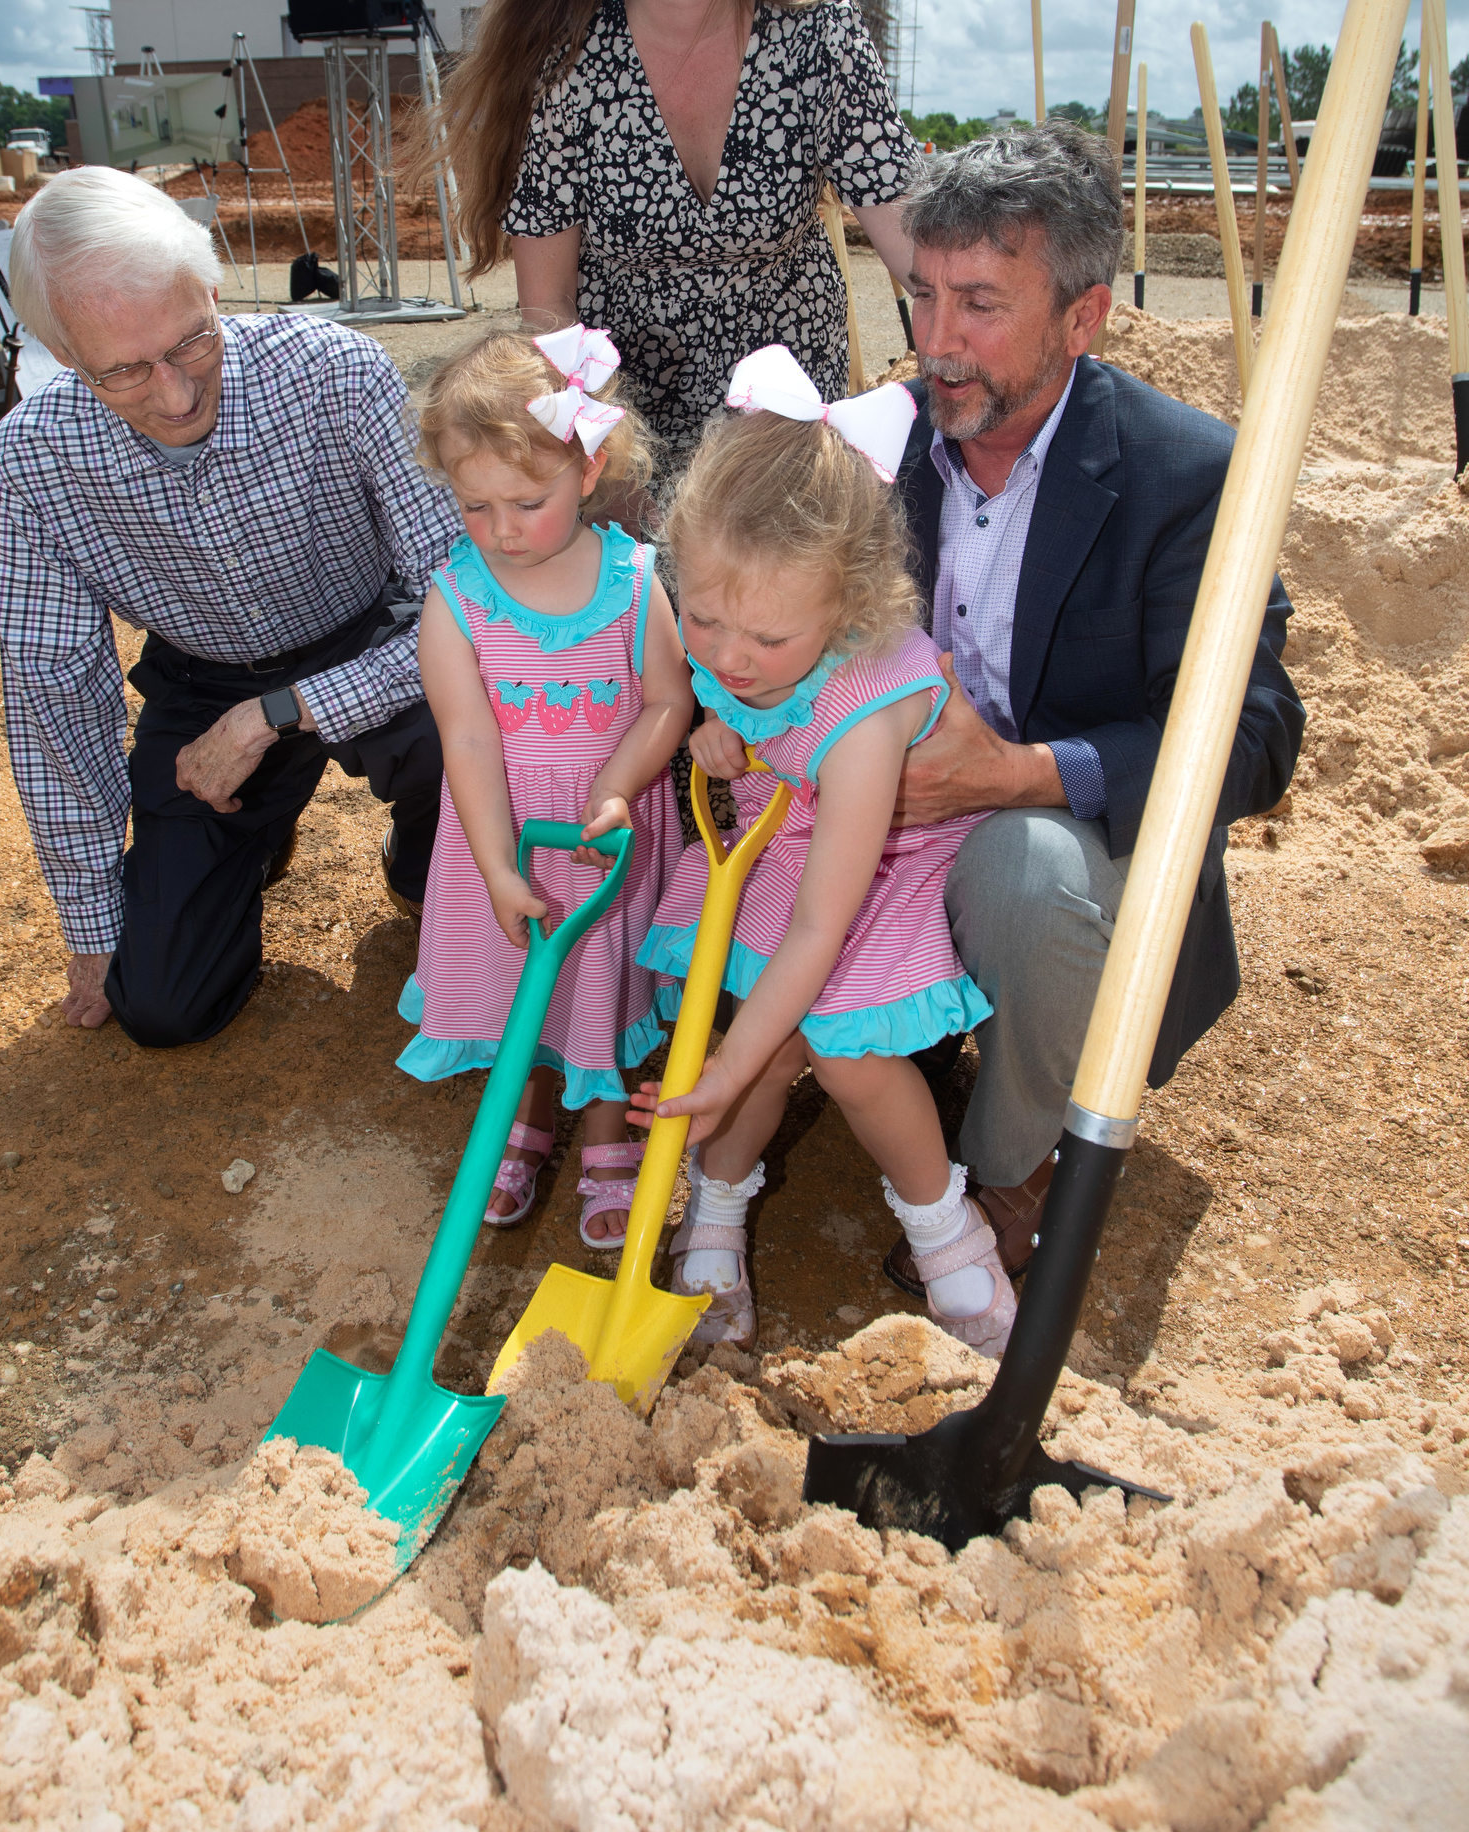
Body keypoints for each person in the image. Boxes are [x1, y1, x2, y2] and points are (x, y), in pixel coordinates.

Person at [882, 119, 1306, 1287]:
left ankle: (1013, 1165)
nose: (937, 343)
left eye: (979, 304)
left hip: (1056, 834)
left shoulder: (1188, 476)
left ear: (1083, 318)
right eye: (922, 298)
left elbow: (1256, 741)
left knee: (1025, 874)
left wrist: (1016, 775)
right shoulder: (877, 448)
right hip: (880, 814)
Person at [0, 167, 458, 1047]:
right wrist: (95, 929)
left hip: (375, 643)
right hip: (202, 682)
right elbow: (56, 695)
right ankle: (248, 843)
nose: (173, 396)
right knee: (162, 1005)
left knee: (467, 725)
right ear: (59, 354)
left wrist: (281, 712)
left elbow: (462, 595)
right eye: (122, 372)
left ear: (211, 286)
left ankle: (431, 849)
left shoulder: (338, 370)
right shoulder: (29, 462)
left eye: (190, 343)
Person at [633, 347, 1011, 1355]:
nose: (726, 657)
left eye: (765, 642)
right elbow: (725, 684)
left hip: (889, 849)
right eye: (704, 618)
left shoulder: (864, 710)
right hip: (788, 818)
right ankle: (715, 1212)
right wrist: (727, 733)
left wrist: (718, 1068)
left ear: (847, 609)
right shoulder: (728, 627)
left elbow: (818, 928)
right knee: (759, 1044)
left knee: (839, 1043)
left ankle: (945, 1232)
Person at [417, 0, 920, 465]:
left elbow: (920, 255)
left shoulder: (820, 40)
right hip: (633, 465)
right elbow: (550, 325)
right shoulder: (566, 64)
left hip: (783, 464)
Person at [398, 325, 693, 1249]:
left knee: (600, 988)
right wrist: (494, 865)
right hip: (509, 832)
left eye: (528, 501)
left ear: (591, 467)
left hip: (603, 842)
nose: (501, 530)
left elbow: (666, 701)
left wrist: (614, 788)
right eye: (473, 505)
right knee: (516, 986)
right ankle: (524, 1125)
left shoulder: (636, 583)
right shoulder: (457, 596)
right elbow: (468, 735)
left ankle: (606, 1139)